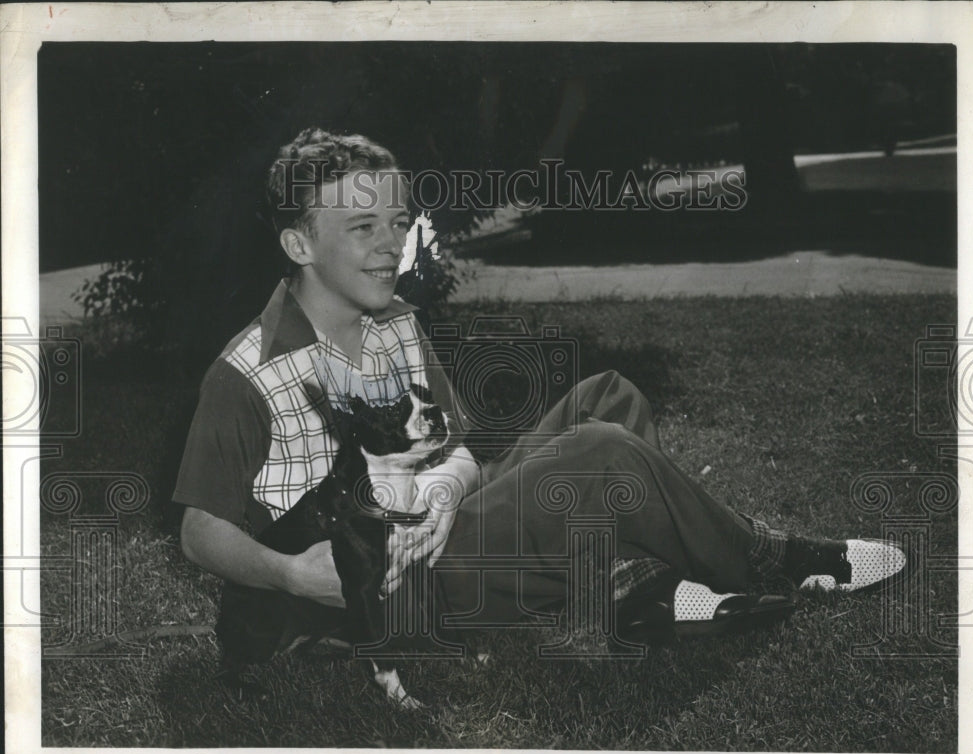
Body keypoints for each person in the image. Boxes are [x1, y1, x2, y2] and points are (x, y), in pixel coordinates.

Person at [175, 128, 908, 650]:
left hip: (439, 529)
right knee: (604, 453)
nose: (389, 243)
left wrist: (446, 489)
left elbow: (458, 450)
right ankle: (778, 559)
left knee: (607, 396)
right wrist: (290, 575)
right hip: (393, 592)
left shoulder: (393, 321)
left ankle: (638, 589)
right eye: (361, 225)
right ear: (298, 244)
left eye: (397, 221)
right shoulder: (246, 374)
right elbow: (198, 530)